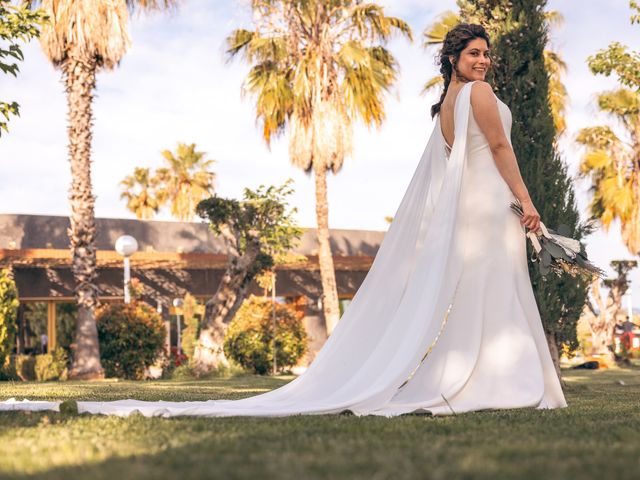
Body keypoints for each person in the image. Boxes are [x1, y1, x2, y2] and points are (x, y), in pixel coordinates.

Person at [1, 24, 567, 417]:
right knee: (499, 286)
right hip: (494, 205)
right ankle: (499, 378)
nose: (483, 61)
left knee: (489, 289)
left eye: (486, 54)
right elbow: (500, 149)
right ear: (453, 59)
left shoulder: (445, 107)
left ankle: (483, 375)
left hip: (474, 211)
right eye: (474, 54)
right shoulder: (479, 96)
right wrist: (528, 206)